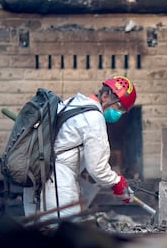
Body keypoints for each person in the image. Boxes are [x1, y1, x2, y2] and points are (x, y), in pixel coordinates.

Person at [23, 75, 138, 221]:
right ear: (105, 96)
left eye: (122, 111)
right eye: (118, 107)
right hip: (58, 185)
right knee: (64, 237)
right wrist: (117, 183)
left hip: (36, 180)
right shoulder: (94, 118)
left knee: (38, 238)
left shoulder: (72, 103)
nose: (118, 114)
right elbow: (97, 168)